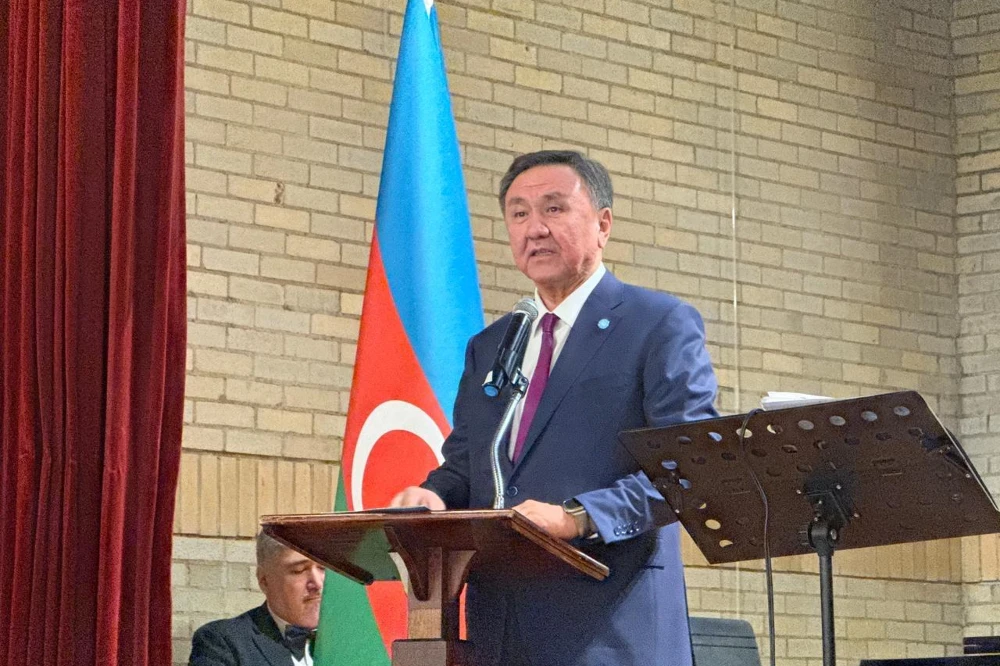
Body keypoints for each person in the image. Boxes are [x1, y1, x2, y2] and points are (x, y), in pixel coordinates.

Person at [390, 150, 719, 666]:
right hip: (498, 633)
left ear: (603, 225)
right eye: (519, 213)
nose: (535, 228)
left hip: (610, 628)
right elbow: (468, 466)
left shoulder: (657, 324)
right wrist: (433, 496)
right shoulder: (491, 346)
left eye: (554, 208)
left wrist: (577, 517)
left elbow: (690, 467)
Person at [189, 531, 326, 666]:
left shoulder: (340, 636)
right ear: (264, 580)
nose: (318, 583)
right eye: (299, 570)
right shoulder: (222, 641)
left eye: (324, 568)